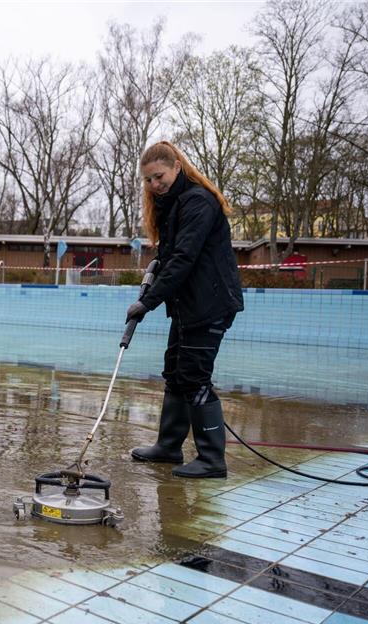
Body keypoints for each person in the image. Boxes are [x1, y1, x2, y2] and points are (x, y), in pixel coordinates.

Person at [126, 141, 244, 479]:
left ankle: (211, 459)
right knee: (175, 372)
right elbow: (170, 256)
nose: (154, 185)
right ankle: (169, 446)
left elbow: (184, 259)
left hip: (210, 303)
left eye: (158, 176)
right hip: (188, 305)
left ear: (177, 166)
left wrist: (147, 303)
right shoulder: (173, 205)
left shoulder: (198, 202)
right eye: (148, 180)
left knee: (194, 375)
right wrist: (155, 271)